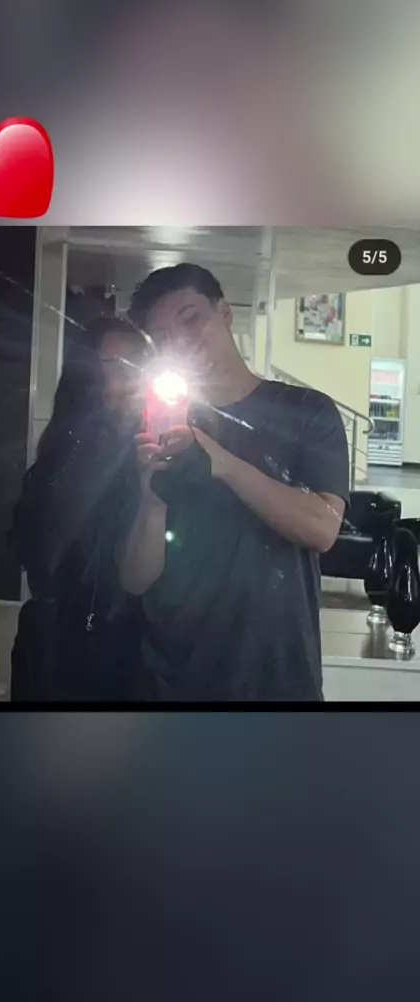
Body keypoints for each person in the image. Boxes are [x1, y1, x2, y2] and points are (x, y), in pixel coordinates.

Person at [120, 263, 350, 702]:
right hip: (169, 681)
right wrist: (151, 498)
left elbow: (321, 527)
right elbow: (135, 579)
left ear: (224, 313)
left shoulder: (306, 412)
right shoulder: (157, 429)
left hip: (278, 679)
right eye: (164, 337)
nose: (181, 340)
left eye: (191, 319)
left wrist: (222, 462)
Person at [9, 314, 151, 702]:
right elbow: (53, 561)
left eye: (138, 362)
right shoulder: (77, 454)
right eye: (115, 367)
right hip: (75, 653)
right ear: (89, 381)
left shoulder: (147, 443)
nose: (131, 376)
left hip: (124, 650)